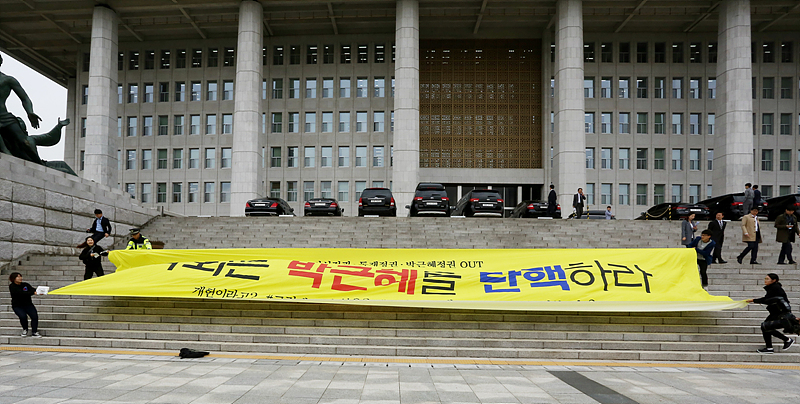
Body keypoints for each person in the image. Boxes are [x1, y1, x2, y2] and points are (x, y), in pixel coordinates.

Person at [746, 273, 795, 354]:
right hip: (776, 312)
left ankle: (786, 340)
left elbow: (768, 299)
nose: (765, 280)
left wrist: (753, 300)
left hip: (780, 313)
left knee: (765, 326)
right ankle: (770, 348)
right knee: (765, 327)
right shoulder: (773, 287)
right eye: (765, 278)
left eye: (767, 279)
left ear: (774, 280)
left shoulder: (775, 288)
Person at [8, 272, 41, 338]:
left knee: (34, 316)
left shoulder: (25, 285)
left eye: (20, 276)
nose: (20, 278)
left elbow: (32, 289)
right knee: (23, 316)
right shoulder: (12, 286)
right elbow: (21, 293)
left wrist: (40, 291)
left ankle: (34, 332)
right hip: (17, 306)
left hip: (28, 304)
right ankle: (25, 329)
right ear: (13, 279)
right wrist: (33, 293)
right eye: (18, 277)